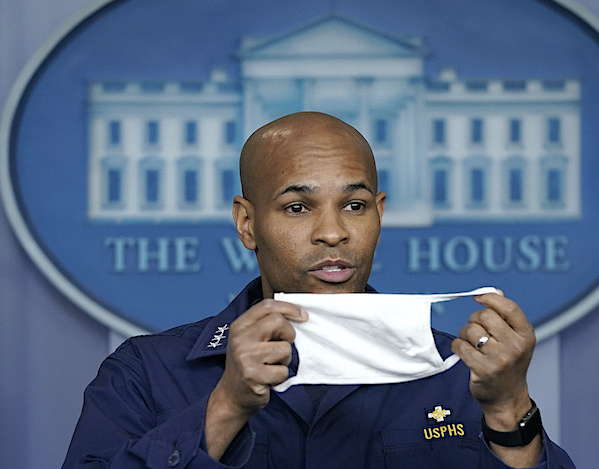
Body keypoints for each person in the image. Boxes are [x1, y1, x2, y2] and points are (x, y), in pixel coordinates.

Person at [62, 112, 575, 468]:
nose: (333, 233)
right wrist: (226, 407)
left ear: (379, 214)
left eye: (354, 206)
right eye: (297, 207)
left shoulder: (458, 373)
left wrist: (510, 411)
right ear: (246, 223)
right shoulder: (146, 374)